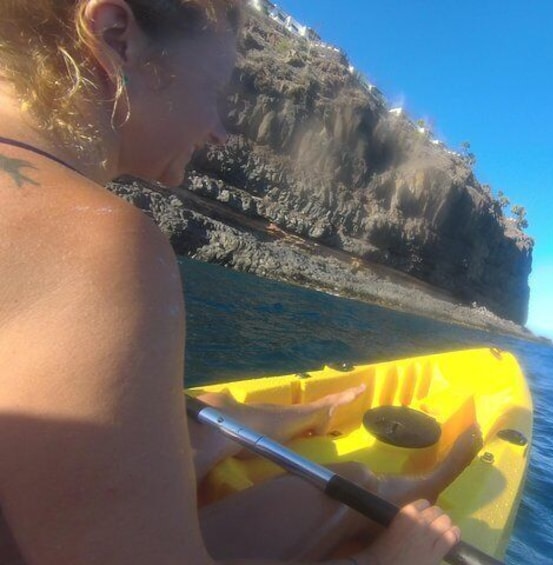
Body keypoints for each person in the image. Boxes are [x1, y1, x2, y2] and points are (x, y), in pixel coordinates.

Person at [0, 1, 480, 563]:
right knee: (344, 489)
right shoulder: (96, 242)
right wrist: (389, 560)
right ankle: (398, 496)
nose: (221, 133)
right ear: (116, 36)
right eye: (217, 90)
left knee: (203, 416)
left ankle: (303, 414)